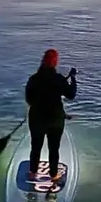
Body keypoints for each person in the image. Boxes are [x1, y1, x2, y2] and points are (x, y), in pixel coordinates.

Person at [24, 49, 77, 184]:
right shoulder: (59, 79)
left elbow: (29, 99)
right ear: (55, 62)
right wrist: (73, 78)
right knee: (54, 148)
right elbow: (71, 95)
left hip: (37, 119)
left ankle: (32, 172)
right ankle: (53, 175)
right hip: (55, 120)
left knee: (35, 146)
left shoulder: (34, 79)